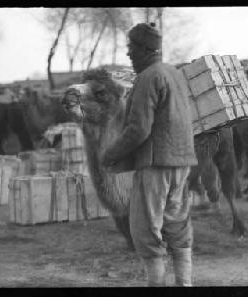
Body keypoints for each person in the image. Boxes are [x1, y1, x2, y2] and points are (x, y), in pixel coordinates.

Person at [99, 23, 198, 287]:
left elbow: (139, 129)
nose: (129, 54)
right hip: (182, 162)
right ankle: (184, 283)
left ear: (144, 49)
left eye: (131, 48)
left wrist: (110, 153)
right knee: (177, 225)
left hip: (156, 165)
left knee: (145, 229)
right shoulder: (174, 74)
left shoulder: (147, 77)